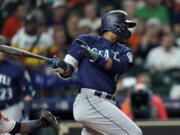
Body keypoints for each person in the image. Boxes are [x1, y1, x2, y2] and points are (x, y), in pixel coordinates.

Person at [50, 10, 142, 135]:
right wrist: (61, 67)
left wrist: (97, 58)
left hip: (107, 104)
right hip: (90, 100)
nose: (127, 30)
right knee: (134, 133)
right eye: (125, 25)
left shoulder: (124, 51)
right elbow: (68, 70)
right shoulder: (86, 40)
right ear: (114, 25)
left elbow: (120, 67)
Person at [0, 36, 35, 135]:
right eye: (1, 47)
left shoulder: (17, 68)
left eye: (5, 48)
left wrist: (26, 114)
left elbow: (28, 92)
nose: (3, 50)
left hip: (10, 110)